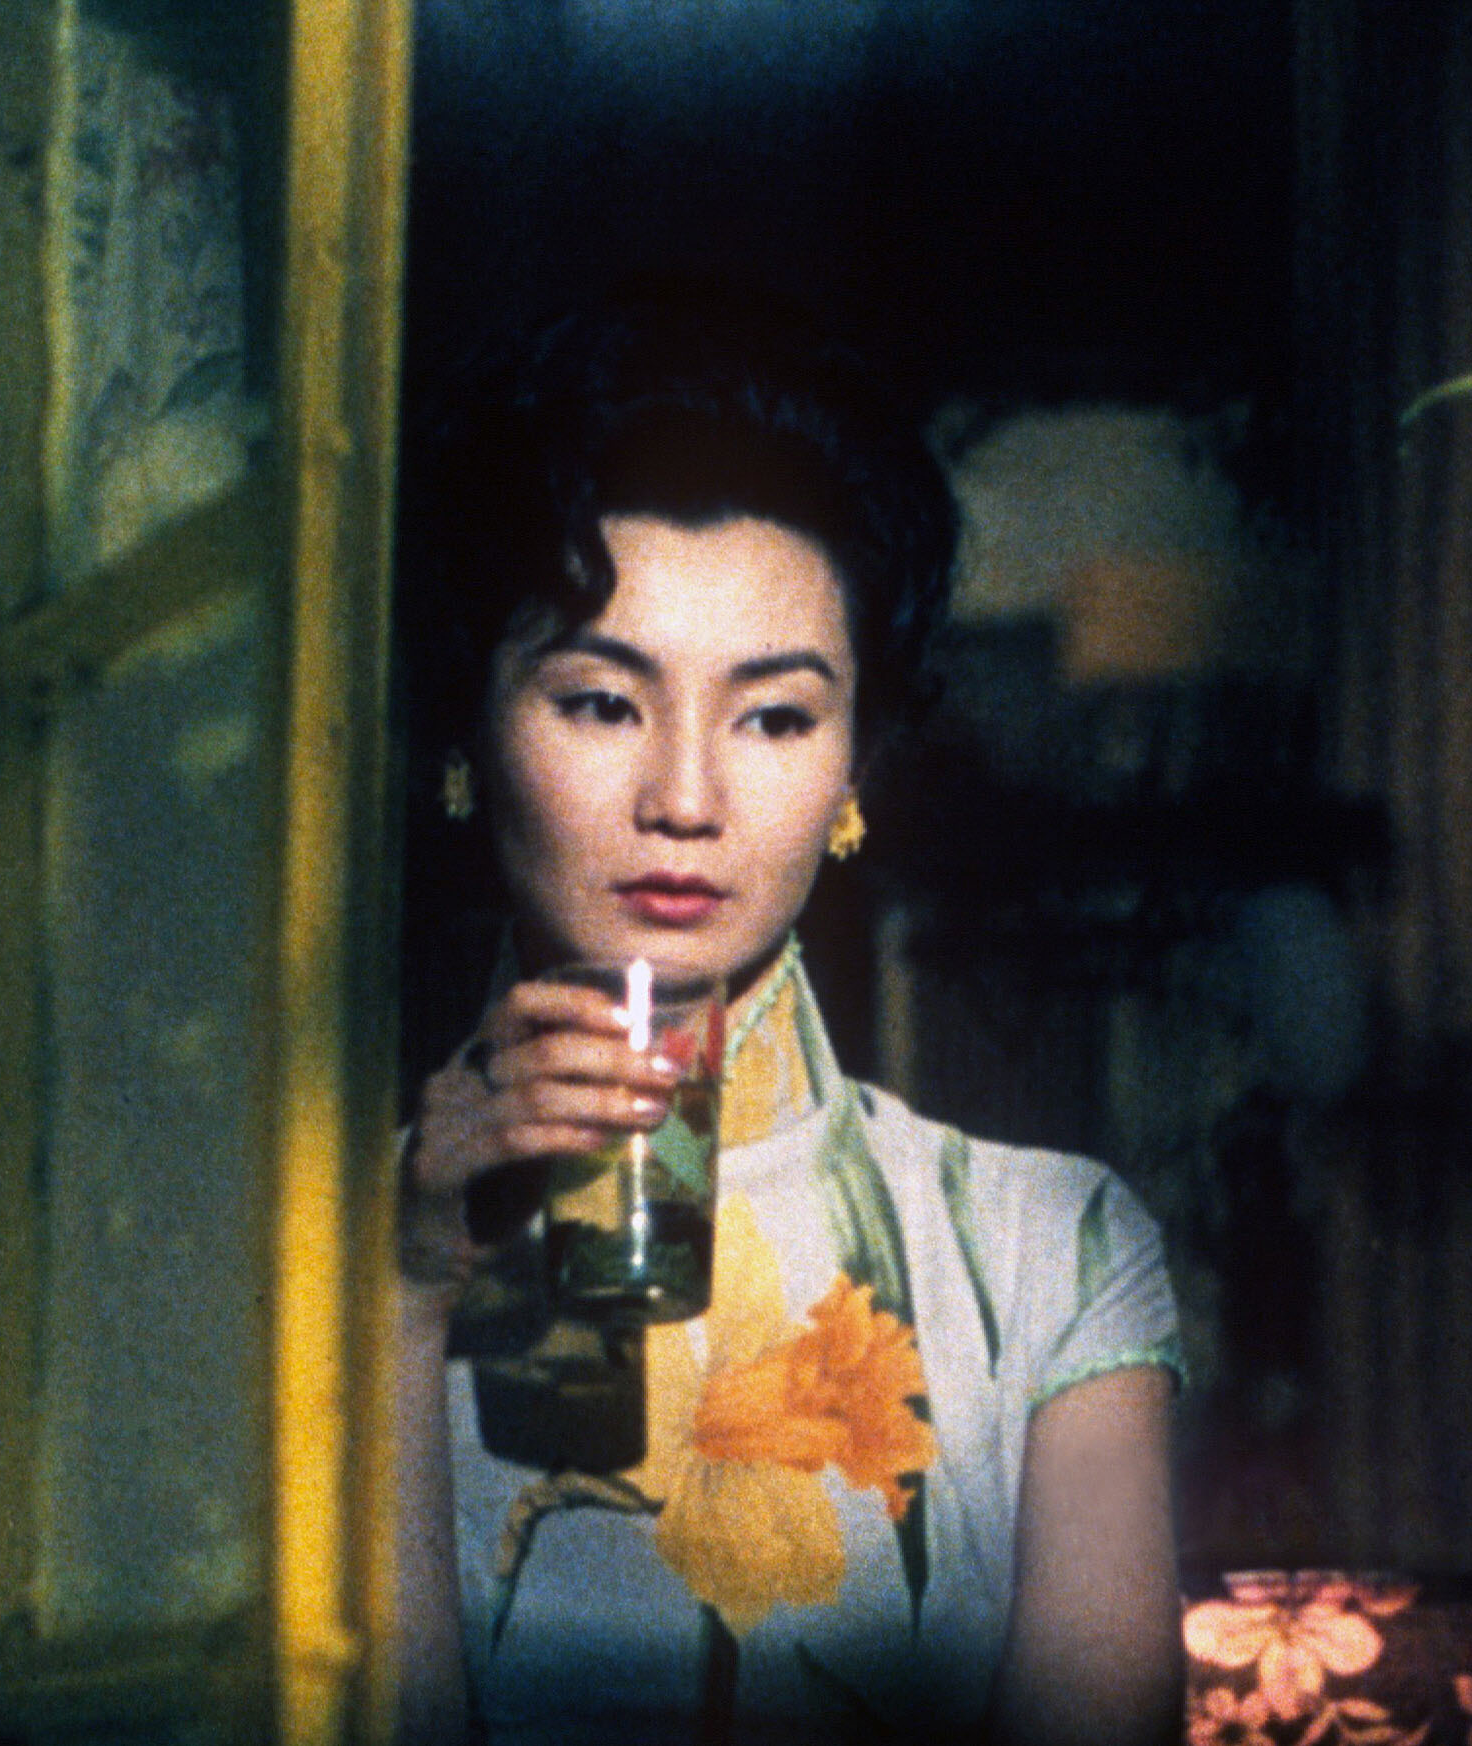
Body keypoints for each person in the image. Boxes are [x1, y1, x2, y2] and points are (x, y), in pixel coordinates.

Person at [390, 289, 1185, 1745]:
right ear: (466, 736)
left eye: (774, 715)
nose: (684, 799)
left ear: (854, 770)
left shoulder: (1045, 1252)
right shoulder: (315, 1253)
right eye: (600, 701)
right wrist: (401, 1289)